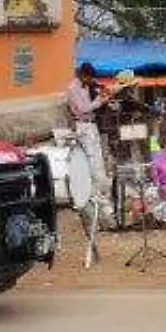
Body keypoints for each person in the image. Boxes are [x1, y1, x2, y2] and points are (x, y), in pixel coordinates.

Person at [67, 63, 114, 218]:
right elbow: (83, 108)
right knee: (92, 163)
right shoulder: (73, 88)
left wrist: (102, 94)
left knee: (98, 160)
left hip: (92, 125)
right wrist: (100, 100)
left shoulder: (87, 86)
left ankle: (99, 195)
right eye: (89, 78)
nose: (90, 80)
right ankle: (95, 198)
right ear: (83, 75)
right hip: (83, 126)